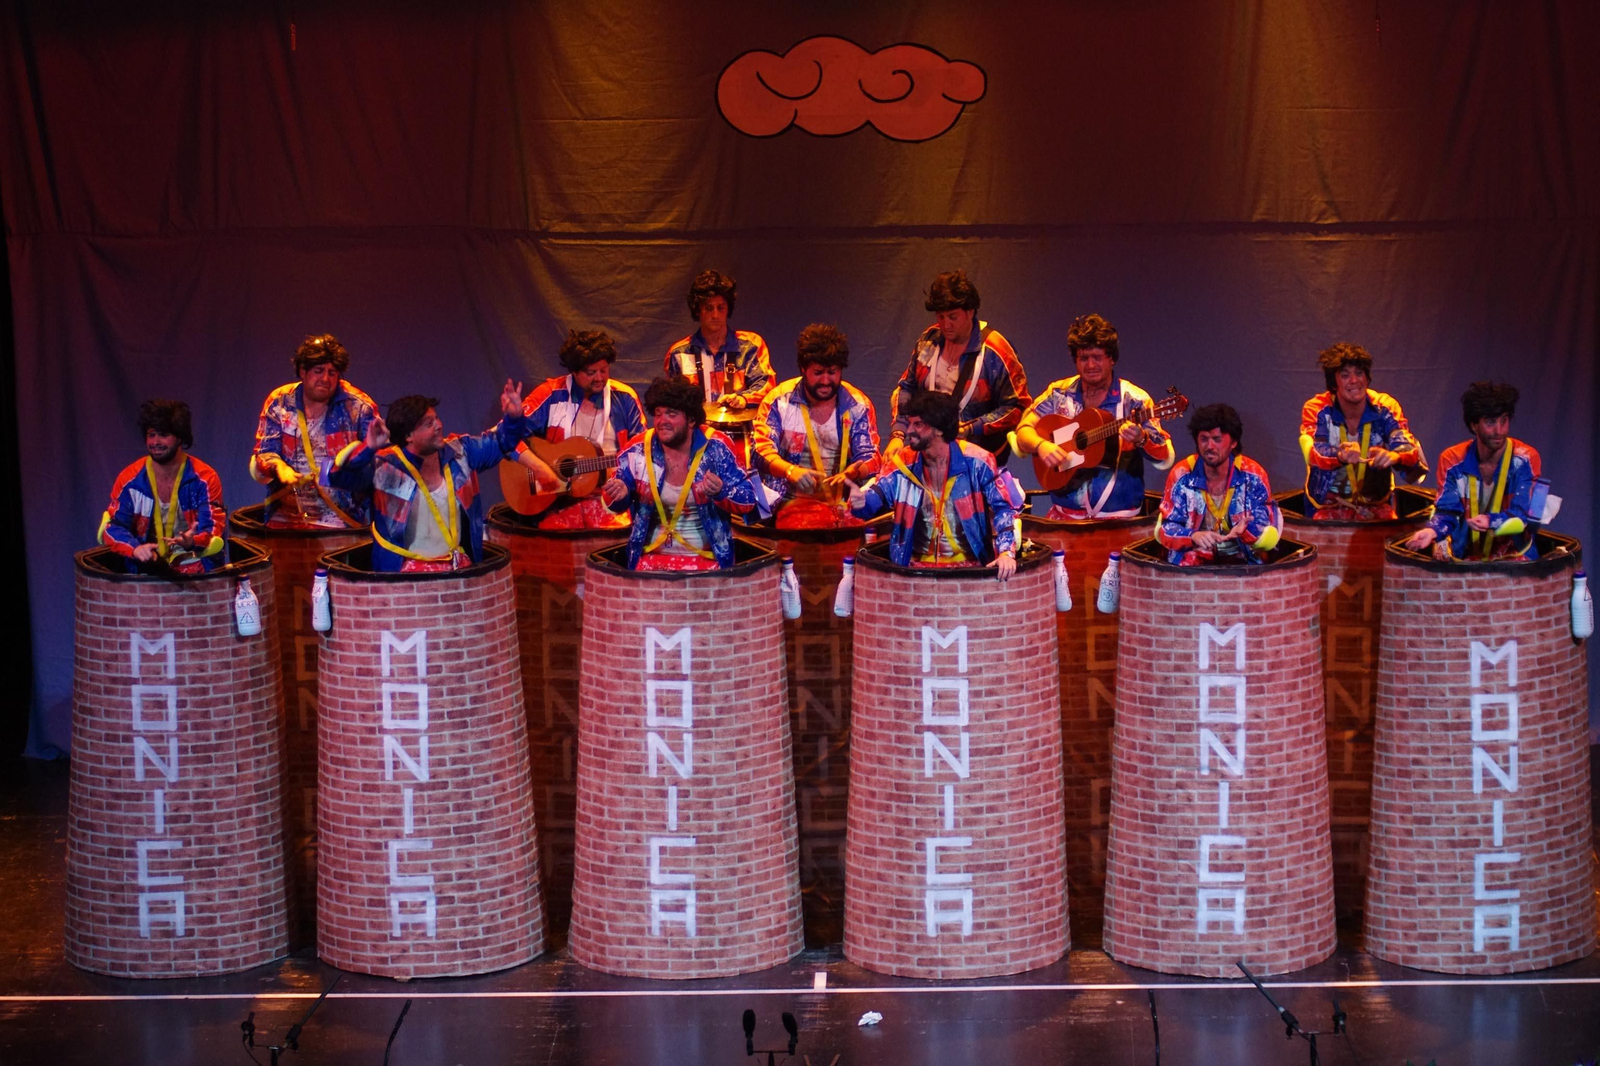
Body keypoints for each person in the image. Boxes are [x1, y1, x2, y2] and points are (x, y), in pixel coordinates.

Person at [329, 381, 532, 572]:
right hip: (405, 579)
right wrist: (368, 448)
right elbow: (338, 478)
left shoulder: (462, 452)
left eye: (436, 418)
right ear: (408, 435)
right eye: (428, 423)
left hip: (457, 571)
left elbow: (501, 442)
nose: (438, 425)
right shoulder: (384, 467)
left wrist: (514, 418)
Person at [1015, 313, 1175, 519]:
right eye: (1083, 358)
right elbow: (1023, 430)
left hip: (1120, 521)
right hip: (1065, 518)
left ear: (1112, 359)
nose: (1090, 365)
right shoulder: (1059, 393)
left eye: (1097, 357)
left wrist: (1141, 438)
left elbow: (1164, 458)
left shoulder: (1135, 400)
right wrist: (1040, 445)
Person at [847, 391, 1018, 579]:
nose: (909, 430)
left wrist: (1006, 553)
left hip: (969, 572)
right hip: (914, 573)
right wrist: (859, 502)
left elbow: (1005, 510)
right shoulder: (902, 464)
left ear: (939, 429)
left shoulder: (978, 462)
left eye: (918, 424)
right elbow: (872, 500)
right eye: (910, 423)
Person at [600, 377, 758, 571]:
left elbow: (749, 499)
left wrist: (722, 491)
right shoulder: (637, 449)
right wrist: (620, 495)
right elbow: (612, 503)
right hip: (649, 559)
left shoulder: (716, 447)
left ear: (691, 420)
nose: (662, 421)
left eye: (671, 414)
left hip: (708, 561)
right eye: (658, 414)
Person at [887, 269, 1030, 465]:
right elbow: (907, 387)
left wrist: (971, 428)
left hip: (979, 463)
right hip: (930, 458)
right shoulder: (929, 340)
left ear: (970, 311)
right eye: (941, 316)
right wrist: (898, 433)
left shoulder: (997, 351)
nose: (946, 325)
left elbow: (1017, 407)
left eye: (953, 317)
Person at [750, 323, 881, 528]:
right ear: (803, 369)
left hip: (842, 505)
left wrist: (854, 473)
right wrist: (790, 471)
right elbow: (759, 452)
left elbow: (871, 457)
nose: (826, 380)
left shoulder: (858, 405)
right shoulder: (779, 402)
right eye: (818, 372)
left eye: (833, 372)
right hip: (790, 503)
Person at [515, 329, 645, 529]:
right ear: (574, 372)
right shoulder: (550, 395)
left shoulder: (625, 399)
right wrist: (539, 468)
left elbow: (642, 453)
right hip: (558, 504)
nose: (599, 378)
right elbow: (505, 437)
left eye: (604, 370)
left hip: (610, 504)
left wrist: (621, 480)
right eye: (590, 372)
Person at [249, 334, 380, 529]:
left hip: (341, 518)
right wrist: (279, 468)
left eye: (332, 373)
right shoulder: (280, 401)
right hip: (286, 516)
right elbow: (265, 452)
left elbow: (376, 463)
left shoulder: (359, 407)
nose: (325, 379)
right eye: (319, 371)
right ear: (303, 371)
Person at [1403, 382, 1544, 561]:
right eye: (1490, 422)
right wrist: (1432, 530)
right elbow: (1447, 512)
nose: (1499, 431)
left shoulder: (1525, 459)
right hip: (1468, 558)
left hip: (1515, 557)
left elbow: (1522, 516)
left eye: (1504, 420)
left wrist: (1490, 521)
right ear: (1474, 425)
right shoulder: (1452, 460)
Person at [1299, 342, 1427, 520]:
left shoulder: (1384, 406)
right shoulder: (1317, 408)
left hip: (1375, 502)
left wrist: (1395, 456)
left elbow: (1405, 443)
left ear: (1367, 378)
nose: (1354, 380)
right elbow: (1315, 451)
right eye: (1345, 375)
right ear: (1334, 384)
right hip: (1328, 502)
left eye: (1359, 373)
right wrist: (1340, 455)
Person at [99, 400, 227, 574]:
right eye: (151, 435)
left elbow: (213, 529)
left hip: (196, 569)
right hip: (148, 569)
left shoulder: (204, 478)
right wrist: (136, 549)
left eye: (163, 435)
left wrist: (193, 541)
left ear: (180, 437)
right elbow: (112, 528)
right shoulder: (130, 480)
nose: (156, 442)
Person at [1156, 404, 1283, 566]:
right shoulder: (1181, 475)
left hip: (1242, 561)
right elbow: (1166, 528)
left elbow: (1267, 523)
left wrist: (1245, 530)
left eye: (1217, 439)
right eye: (1204, 439)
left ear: (1234, 442)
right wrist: (1193, 536)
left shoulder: (1253, 475)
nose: (1209, 446)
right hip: (1192, 564)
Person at [661, 270, 775, 412]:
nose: (715, 315)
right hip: (697, 432)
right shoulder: (679, 353)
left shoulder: (749, 346)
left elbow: (766, 384)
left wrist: (743, 398)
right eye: (708, 308)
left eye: (720, 308)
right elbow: (674, 401)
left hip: (740, 429)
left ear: (728, 309)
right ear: (698, 310)